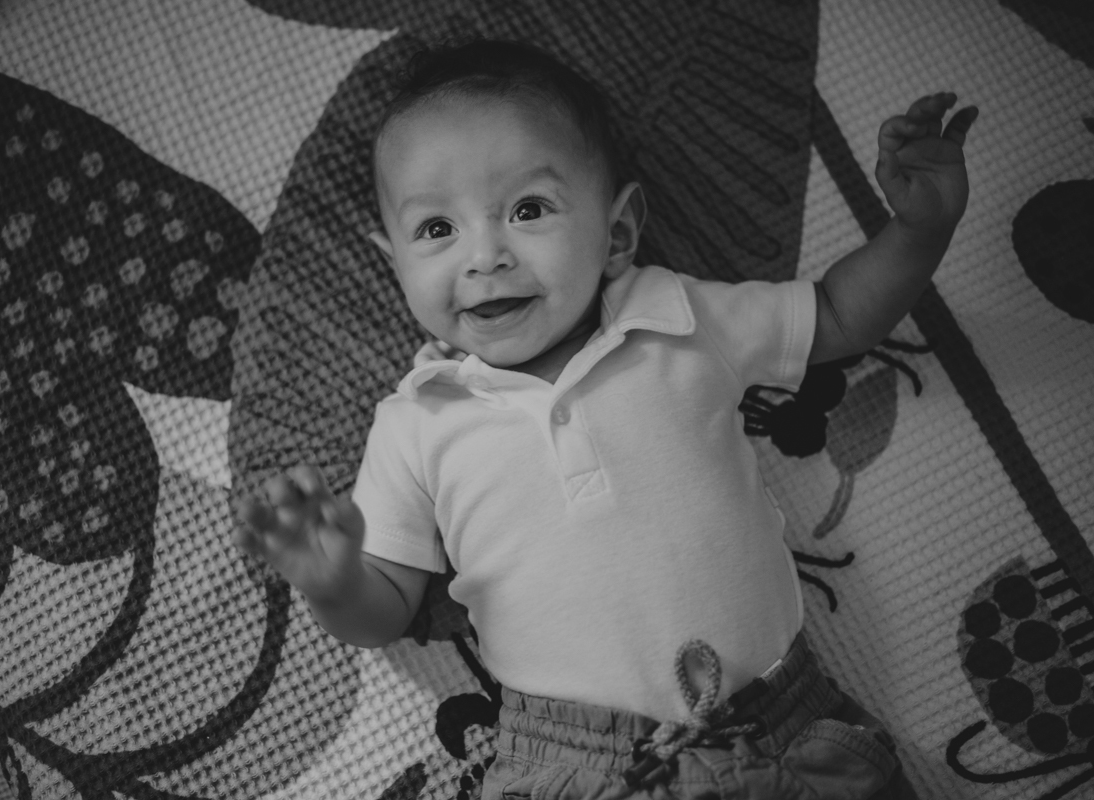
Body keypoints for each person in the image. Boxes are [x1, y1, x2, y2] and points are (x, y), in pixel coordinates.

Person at [235, 38, 977, 799]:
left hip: (781, 734)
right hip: (572, 768)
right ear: (393, 261)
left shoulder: (680, 318)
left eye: (528, 210)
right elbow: (385, 611)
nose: (485, 256)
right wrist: (333, 580)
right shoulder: (417, 421)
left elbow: (837, 315)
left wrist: (918, 232)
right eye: (435, 229)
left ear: (618, 233)